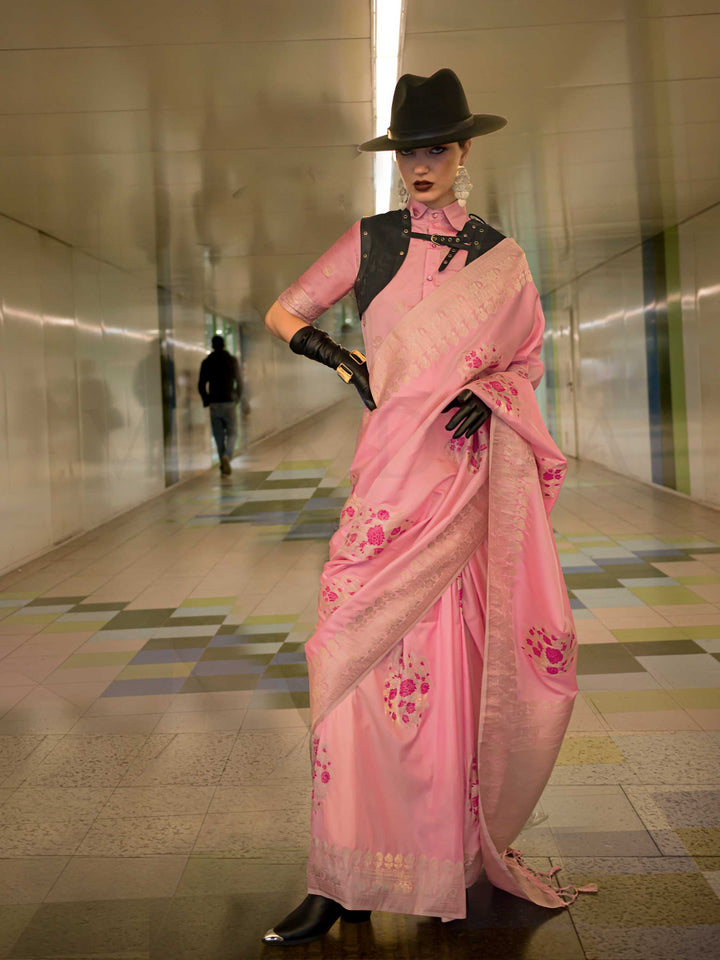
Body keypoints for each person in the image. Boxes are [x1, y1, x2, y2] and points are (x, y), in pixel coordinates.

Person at [261, 69, 587, 947]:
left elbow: (525, 362)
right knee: (351, 670)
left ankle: (437, 861)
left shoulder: (499, 257)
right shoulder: (368, 243)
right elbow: (284, 310)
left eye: (436, 147)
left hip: (461, 486)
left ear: (464, 151)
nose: (421, 163)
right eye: (409, 149)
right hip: (385, 488)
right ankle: (340, 878)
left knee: (442, 676)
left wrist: (501, 395)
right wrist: (348, 362)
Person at [197, 334, 242, 476]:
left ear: (212, 346)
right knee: (233, 433)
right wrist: (237, 398)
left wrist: (206, 399)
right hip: (229, 401)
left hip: (214, 403)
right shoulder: (231, 360)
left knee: (218, 436)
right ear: (223, 345)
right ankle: (227, 456)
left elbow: (201, 384)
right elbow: (239, 382)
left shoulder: (207, 362)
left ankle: (223, 461)